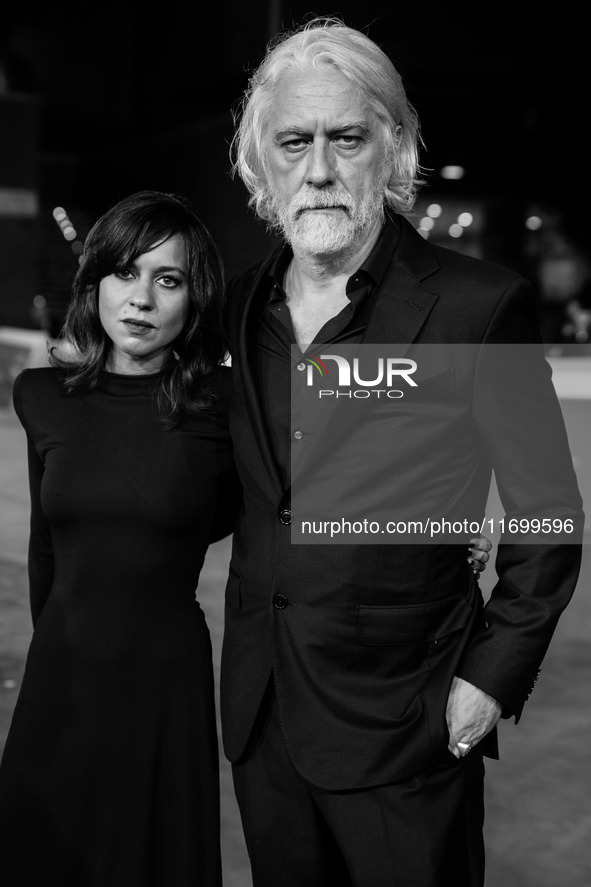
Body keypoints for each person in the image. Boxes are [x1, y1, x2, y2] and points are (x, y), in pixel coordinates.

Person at [220, 17, 584, 887]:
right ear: (258, 161)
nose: (318, 168)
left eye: (346, 138)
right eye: (293, 141)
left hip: (407, 725)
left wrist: (488, 679)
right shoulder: (238, 309)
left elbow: (545, 514)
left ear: (393, 146)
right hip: (263, 715)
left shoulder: (473, 308)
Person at [0, 190, 240, 887]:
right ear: (95, 280)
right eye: (125, 272)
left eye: (167, 280)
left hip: (163, 684)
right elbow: (47, 545)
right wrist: (55, 651)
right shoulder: (42, 395)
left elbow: (258, 511)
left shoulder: (225, 406)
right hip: (62, 674)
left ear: (193, 300)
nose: (141, 298)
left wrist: (450, 525)